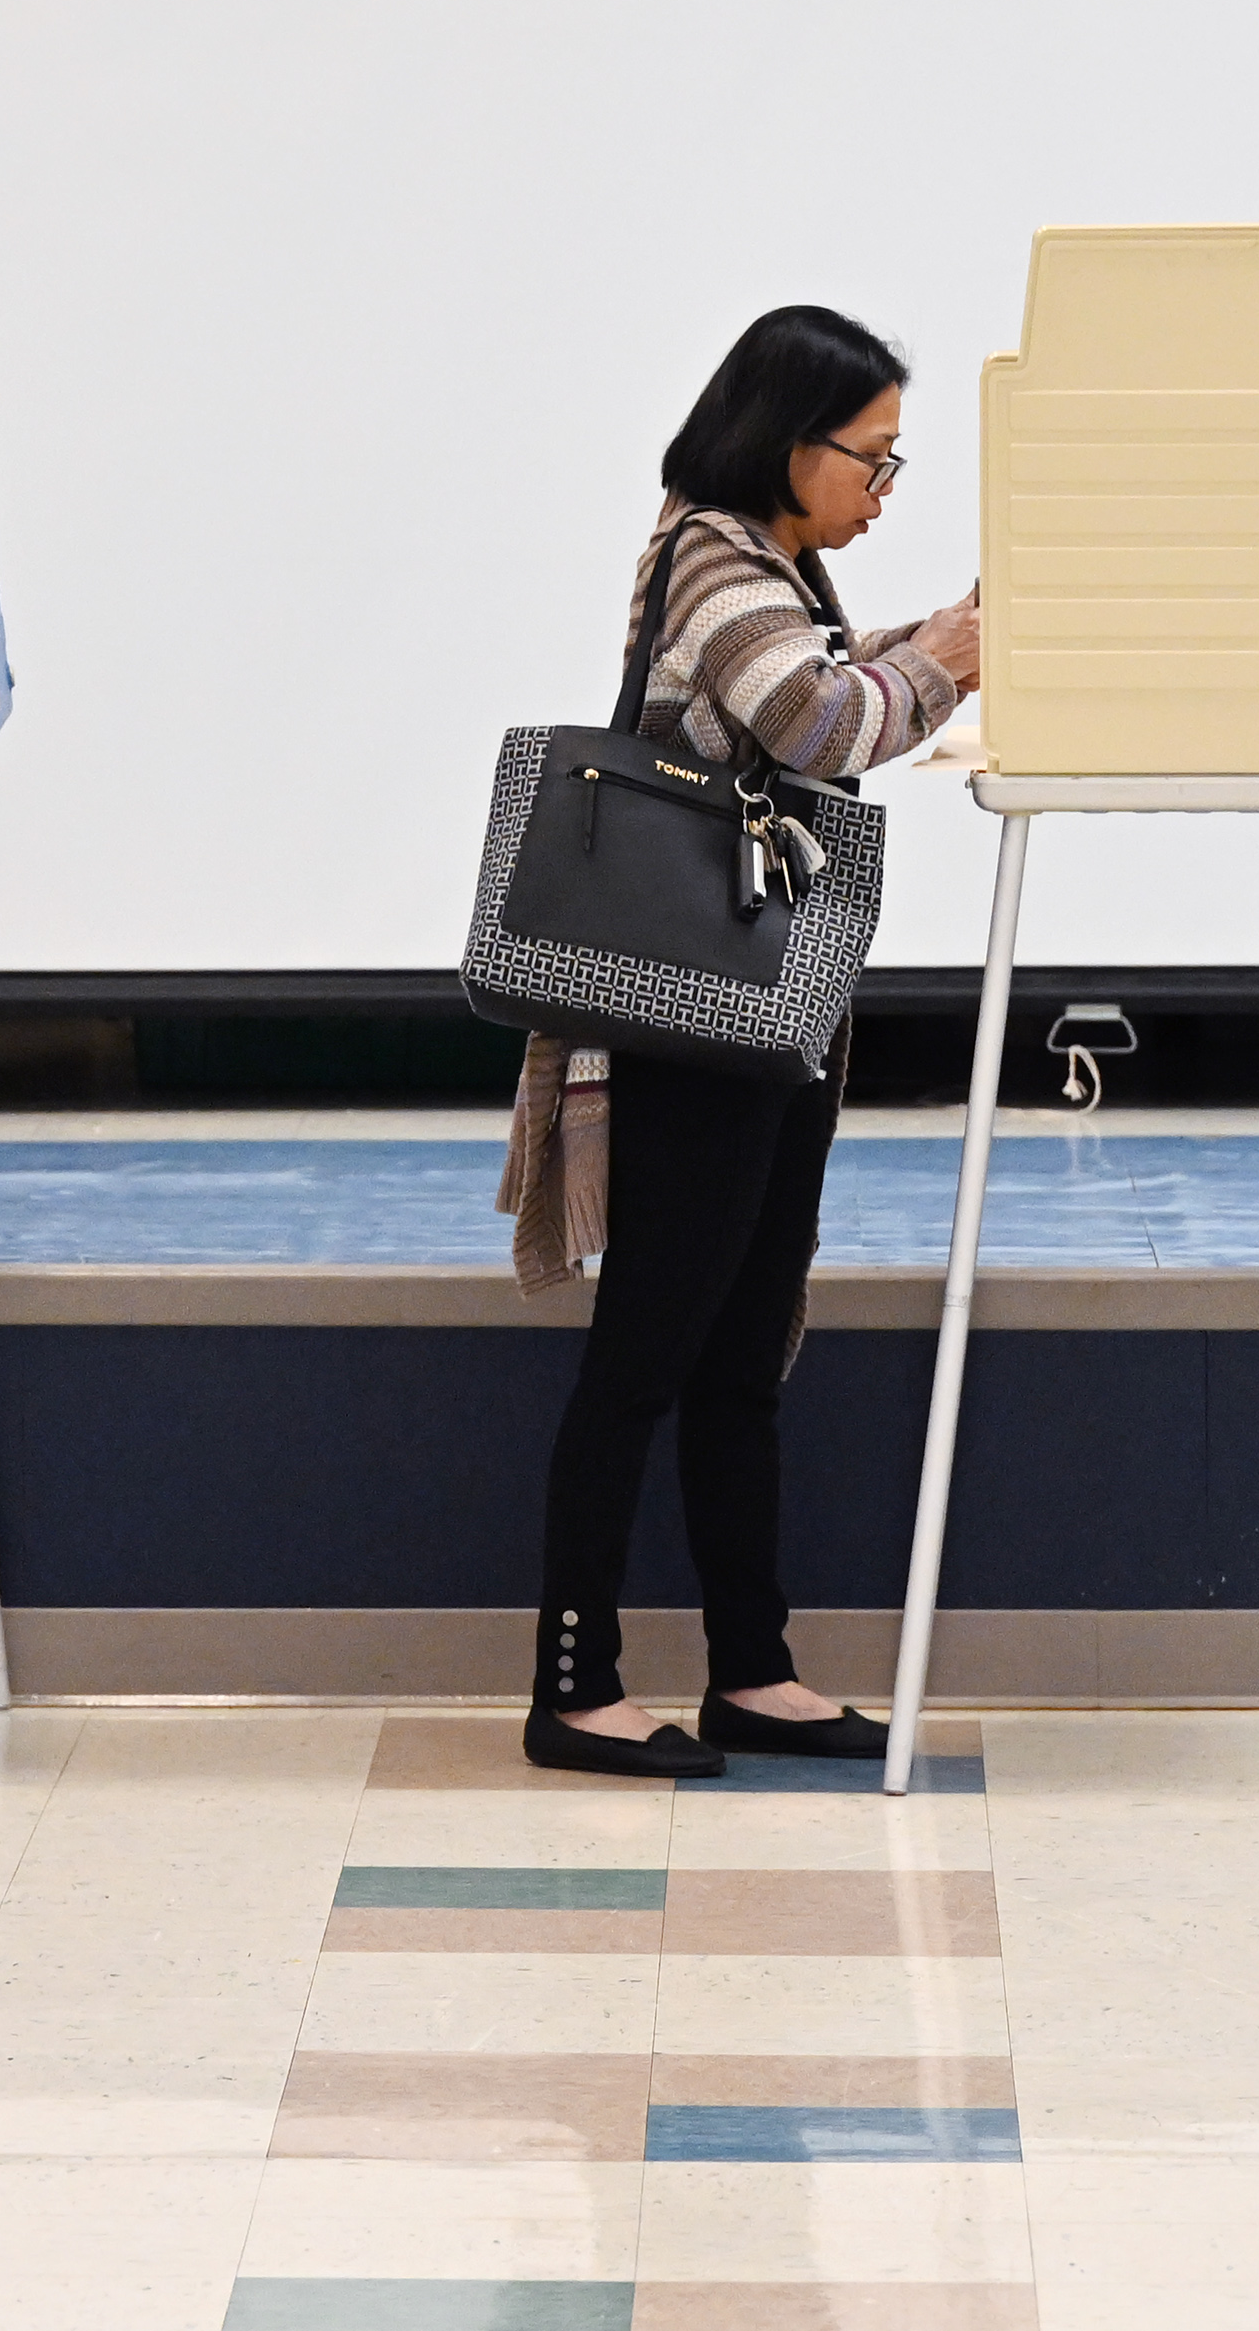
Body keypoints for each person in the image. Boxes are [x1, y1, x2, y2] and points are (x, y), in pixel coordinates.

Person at [500, 304, 981, 1779]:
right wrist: (950, 664)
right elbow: (820, 715)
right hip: (696, 1021)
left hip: (765, 1013)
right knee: (650, 1345)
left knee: (738, 1350)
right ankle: (572, 1685)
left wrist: (939, 641)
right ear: (793, 439)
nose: (883, 487)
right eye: (874, 457)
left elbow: (829, 664)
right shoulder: (713, 550)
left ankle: (751, 1668)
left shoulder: (774, 563)